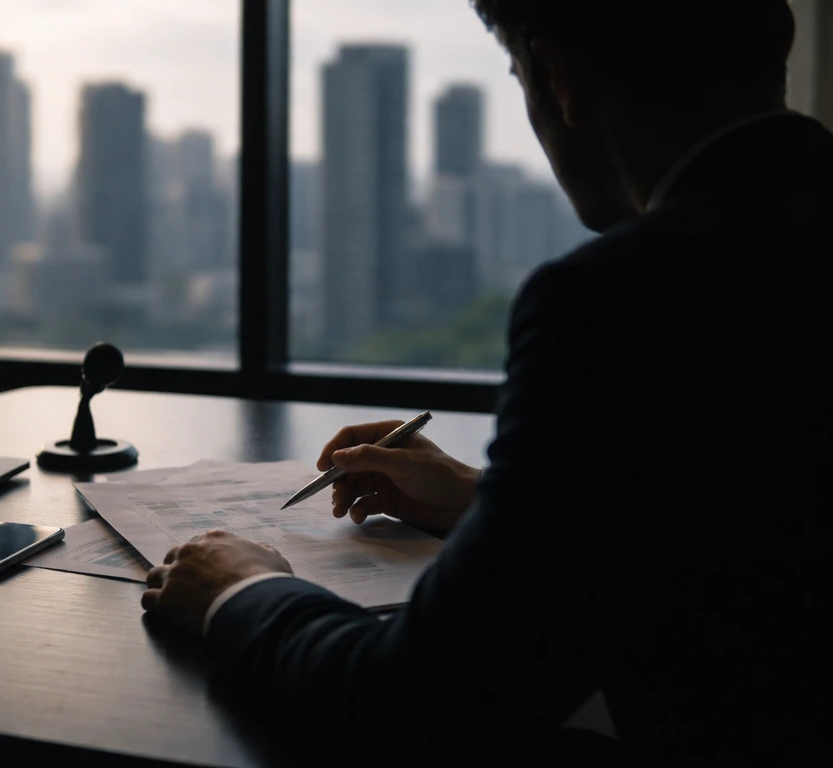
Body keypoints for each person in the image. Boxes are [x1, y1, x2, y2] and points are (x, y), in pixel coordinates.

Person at [141, 1, 833, 764]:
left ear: (561, 78)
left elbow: (416, 704)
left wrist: (242, 589)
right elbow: (755, 520)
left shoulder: (623, 297)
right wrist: (493, 504)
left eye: (517, 74)